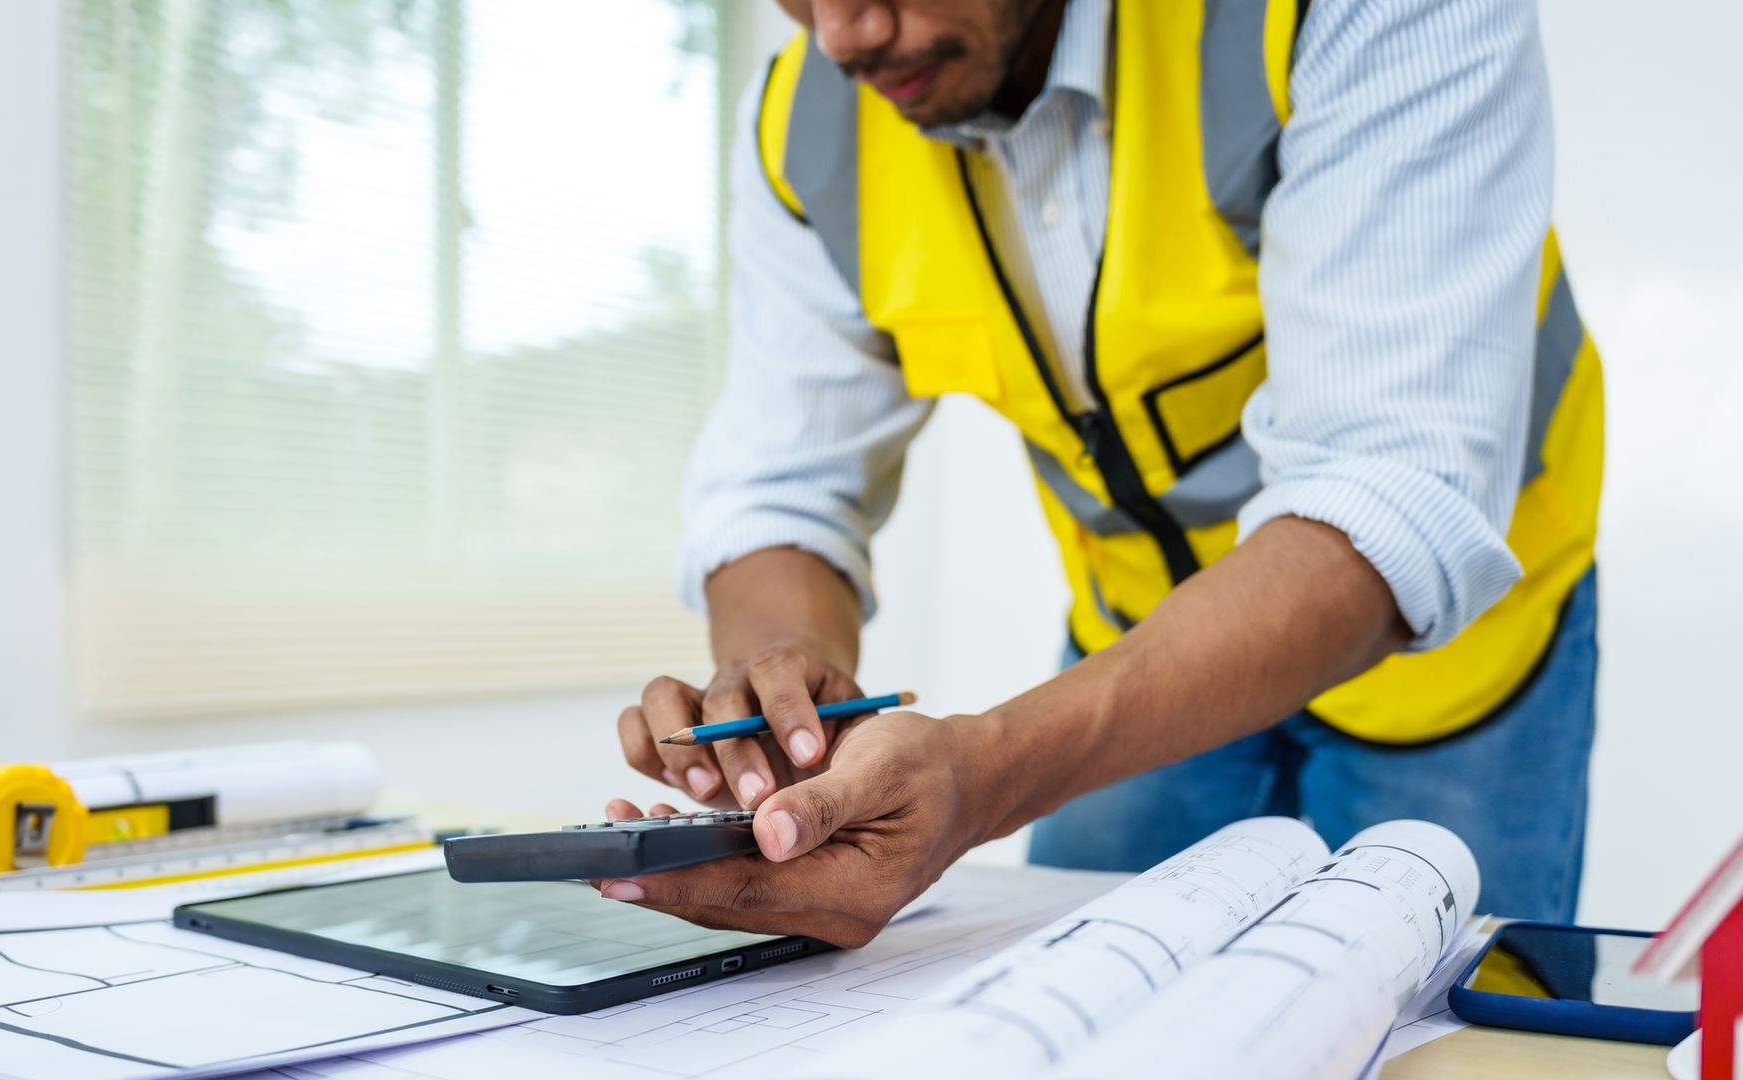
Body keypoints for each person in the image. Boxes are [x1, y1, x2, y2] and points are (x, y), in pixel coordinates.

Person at [603, 0, 1602, 945]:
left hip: (1455, 656)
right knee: (1075, 1006)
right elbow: (780, 488)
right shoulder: (801, 131)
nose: (845, 31)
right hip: (1143, 648)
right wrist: (781, 685)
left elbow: (1389, 494)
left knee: (1439, 1059)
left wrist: (989, 770)